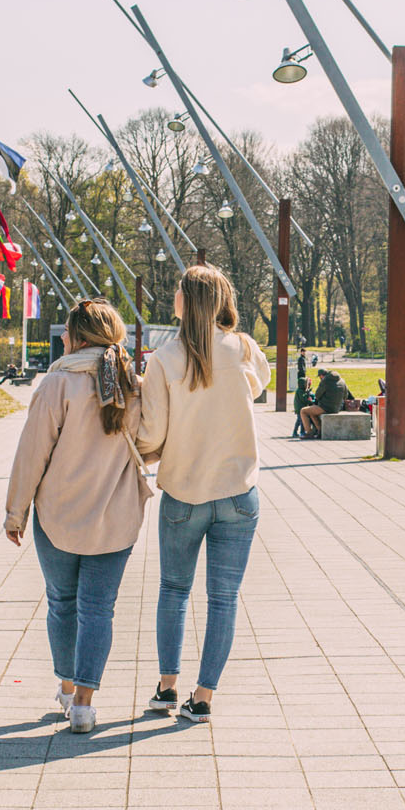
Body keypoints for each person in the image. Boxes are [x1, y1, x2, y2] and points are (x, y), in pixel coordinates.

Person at [4, 298, 148, 734]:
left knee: (62, 604)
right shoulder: (131, 385)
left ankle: (66, 687)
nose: (63, 339)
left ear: (78, 337)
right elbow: (150, 442)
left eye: (67, 333)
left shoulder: (57, 384)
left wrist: (16, 512)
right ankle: (84, 703)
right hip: (115, 515)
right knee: (98, 609)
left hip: (58, 516)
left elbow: (32, 453)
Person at [136, 265, 266, 723]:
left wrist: (144, 452)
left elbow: (151, 432)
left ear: (187, 300)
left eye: (177, 289)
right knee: (223, 597)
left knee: (173, 589)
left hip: (185, 492)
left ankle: (167, 687)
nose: (172, 294)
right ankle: (204, 696)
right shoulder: (243, 348)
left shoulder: (165, 359)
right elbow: (258, 385)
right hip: (238, 491)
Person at [298, 368, 351, 438]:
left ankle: (309, 433)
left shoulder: (325, 381)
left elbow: (317, 395)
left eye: (319, 377)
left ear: (322, 376)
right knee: (312, 412)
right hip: (337, 408)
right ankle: (320, 431)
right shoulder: (342, 381)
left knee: (303, 411)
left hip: (325, 408)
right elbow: (345, 396)